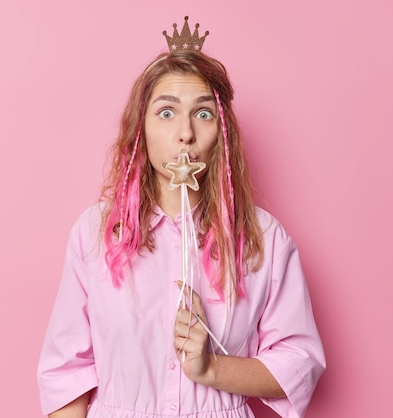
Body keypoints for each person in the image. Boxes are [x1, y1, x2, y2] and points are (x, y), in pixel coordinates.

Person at [37, 16, 325, 418]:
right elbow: (65, 372)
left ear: (221, 133)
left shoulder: (263, 237)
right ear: (142, 129)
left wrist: (211, 368)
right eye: (167, 112)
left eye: (203, 114)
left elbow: (300, 362)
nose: (185, 133)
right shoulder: (95, 233)